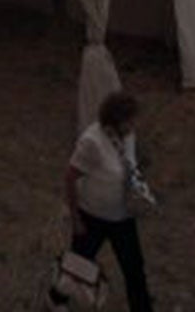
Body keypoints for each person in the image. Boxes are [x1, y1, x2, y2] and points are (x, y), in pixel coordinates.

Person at [61, 91, 155, 312]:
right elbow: (70, 177)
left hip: (122, 217)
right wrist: (75, 219)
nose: (134, 124)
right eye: (130, 120)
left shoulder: (128, 135)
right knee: (77, 269)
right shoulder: (91, 142)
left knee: (134, 269)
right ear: (117, 120)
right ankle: (57, 303)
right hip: (92, 217)